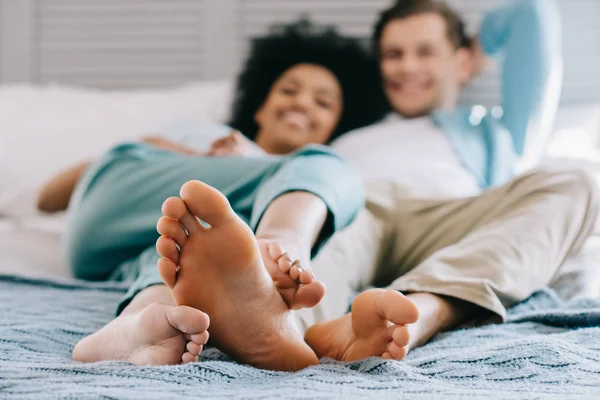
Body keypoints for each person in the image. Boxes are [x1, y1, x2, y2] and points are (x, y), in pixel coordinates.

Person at [37, 22, 406, 372]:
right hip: (120, 200)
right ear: (260, 108)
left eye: (323, 103)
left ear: (334, 127)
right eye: (289, 90)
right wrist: (185, 153)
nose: (303, 103)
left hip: (120, 254)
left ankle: (139, 323)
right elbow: (46, 198)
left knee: (184, 251)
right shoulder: (206, 136)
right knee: (332, 169)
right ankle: (279, 244)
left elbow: (185, 249)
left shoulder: (230, 228)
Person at [293, 0, 599, 362]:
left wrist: (463, 63)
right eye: (394, 54)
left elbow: (531, 13)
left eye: (425, 52)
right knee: (320, 237)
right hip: (360, 206)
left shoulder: (493, 130)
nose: (407, 66)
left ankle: (423, 310)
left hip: (452, 221)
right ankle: (292, 334)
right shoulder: (347, 135)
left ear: (463, 61)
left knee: (580, 179)